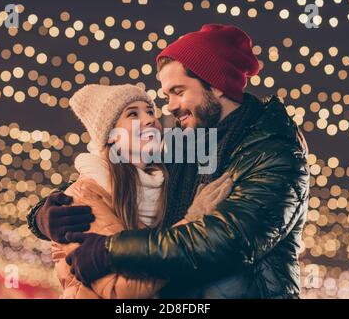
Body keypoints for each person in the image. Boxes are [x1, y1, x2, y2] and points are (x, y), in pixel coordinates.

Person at [28, 24, 310, 298]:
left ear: (217, 86)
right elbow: (114, 178)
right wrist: (45, 214)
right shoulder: (188, 143)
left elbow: (227, 240)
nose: (170, 106)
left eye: (178, 91)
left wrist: (112, 249)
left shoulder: (275, 153)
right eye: (166, 95)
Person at [51, 83, 232, 298]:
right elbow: (121, 290)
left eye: (149, 112)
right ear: (110, 135)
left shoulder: (171, 185)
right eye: (133, 114)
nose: (149, 119)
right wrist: (194, 222)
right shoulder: (85, 196)